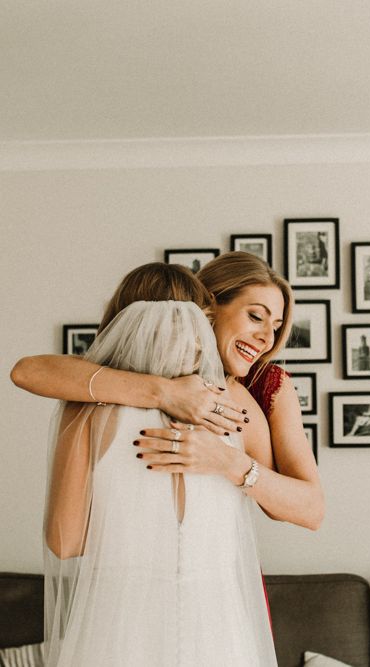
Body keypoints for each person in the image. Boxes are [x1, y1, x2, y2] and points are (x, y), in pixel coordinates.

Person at [42, 262, 277, 666]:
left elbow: (65, 543)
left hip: (119, 630)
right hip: (220, 630)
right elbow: (270, 497)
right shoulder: (235, 405)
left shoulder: (85, 413)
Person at [12, 252, 324, 532]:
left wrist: (226, 460)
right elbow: (26, 372)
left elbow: (312, 511)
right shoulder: (129, 370)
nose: (267, 338)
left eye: (278, 326)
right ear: (208, 307)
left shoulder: (260, 388)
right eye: (256, 316)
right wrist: (167, 392)